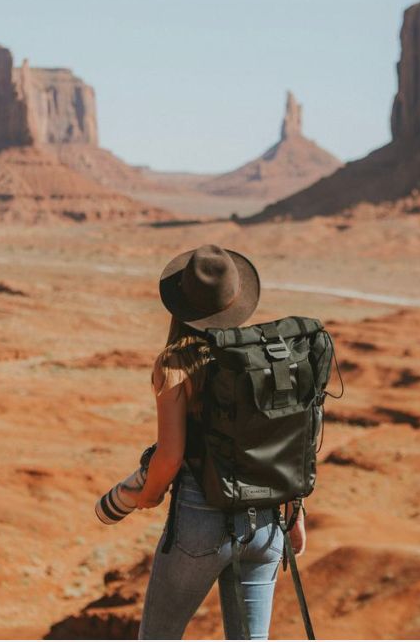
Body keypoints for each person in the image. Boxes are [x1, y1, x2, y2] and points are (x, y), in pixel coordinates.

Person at [136, 244, 306, 640]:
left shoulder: (175, 364)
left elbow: (170, 456)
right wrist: (295, 513)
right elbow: (285, 442)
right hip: (267, 522)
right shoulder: (263, 360)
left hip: (201, 522)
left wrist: (147, 495)